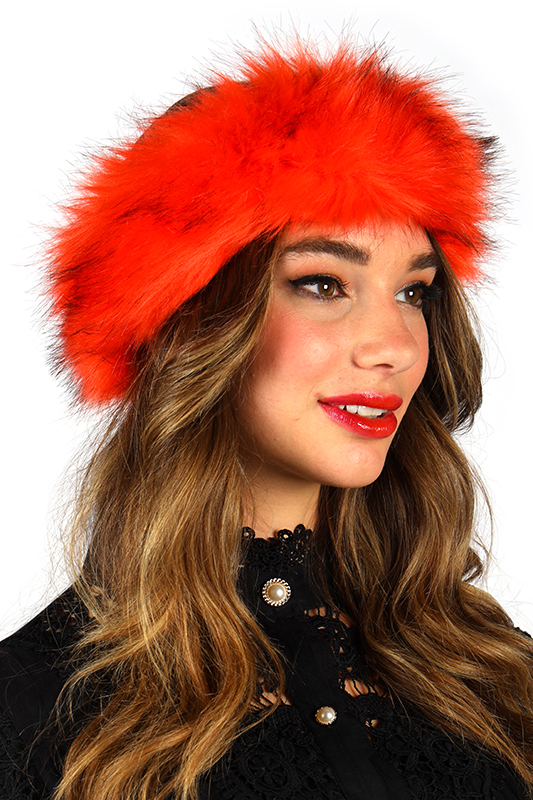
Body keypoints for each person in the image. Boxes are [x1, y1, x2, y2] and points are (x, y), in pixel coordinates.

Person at [1, 37, 532, 800]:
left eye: (413, 292)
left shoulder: (490, 674)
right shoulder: (33, 715)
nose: (393, 345)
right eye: (322, 284)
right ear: (194, 320)